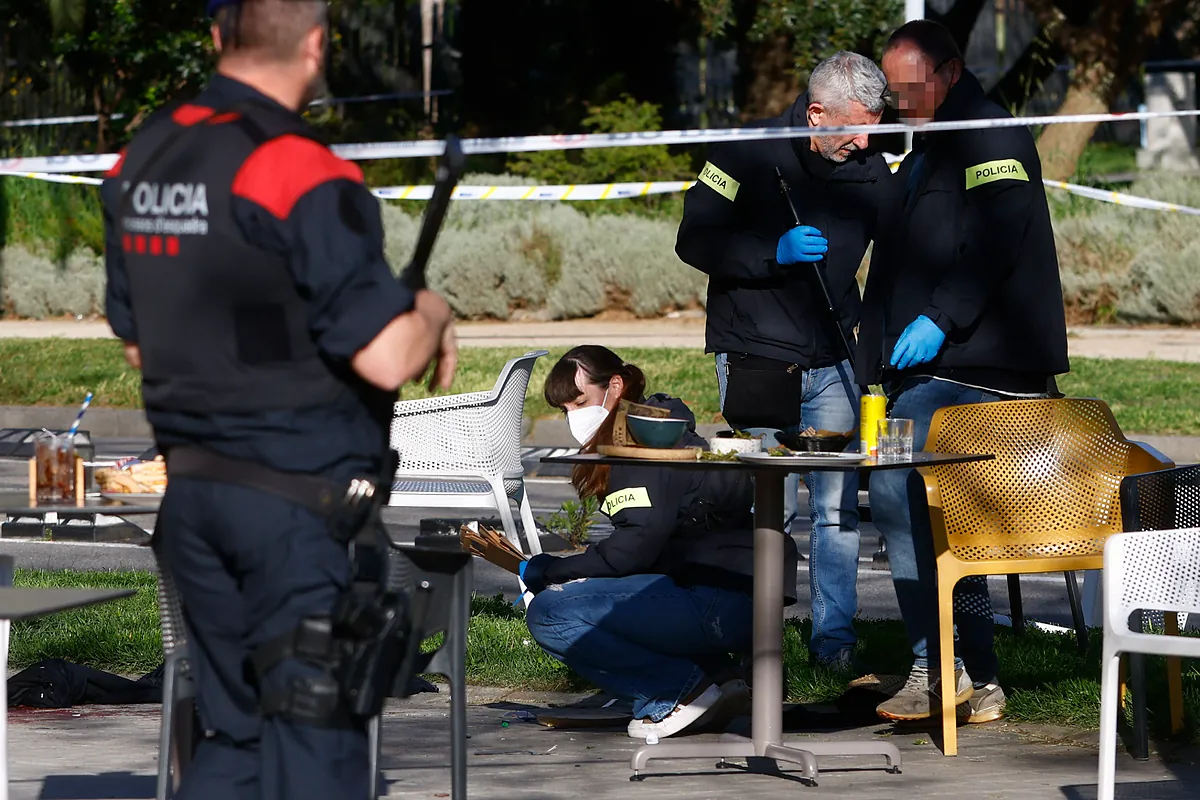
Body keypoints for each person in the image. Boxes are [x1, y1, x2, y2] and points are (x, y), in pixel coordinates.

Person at [100, 1, 458, 798]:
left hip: (192, 503)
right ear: (317, 44)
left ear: (219, 37)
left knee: (233, 741)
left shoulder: (142, 159)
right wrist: (433, 312)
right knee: (315, 751)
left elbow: (138, 341)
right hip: (296, 512)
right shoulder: (297, 166)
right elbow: (387, 352)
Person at [856, 19, 1069, 725]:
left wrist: (941, 319)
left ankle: (933, 668)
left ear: (948, 73)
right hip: (928, 368)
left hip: (980, 367)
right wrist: (874, 354)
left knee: (901, 500)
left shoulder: (991, 134)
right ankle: (976, 674)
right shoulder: (933, 144)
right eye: (893, 90)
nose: (899, 101)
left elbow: (998, 238)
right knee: (945, 523)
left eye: (910, 88)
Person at [675, 51, 893, 670]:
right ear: (816, 112)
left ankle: (834, 642)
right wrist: (771, 251)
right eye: (853, 128)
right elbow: (693, 239)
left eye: (872, 128)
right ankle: (754, 637)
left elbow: (901, 252)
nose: (863, 142)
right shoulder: (744, 152)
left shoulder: (869, 164)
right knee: (773, 506)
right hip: (757, 358)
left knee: (835, 510)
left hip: (834, 358)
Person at [521, 345, 800, 740]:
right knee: (588, 590)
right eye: (564, 409)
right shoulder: (657, 430)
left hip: (718, 599)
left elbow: (635, 548)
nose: (572, 418)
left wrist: (550, 569)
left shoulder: (643, 443)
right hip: (737, 594)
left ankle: (676, 691)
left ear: (615, 386)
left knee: (550, 612)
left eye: (579, 402)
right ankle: (719, 677)